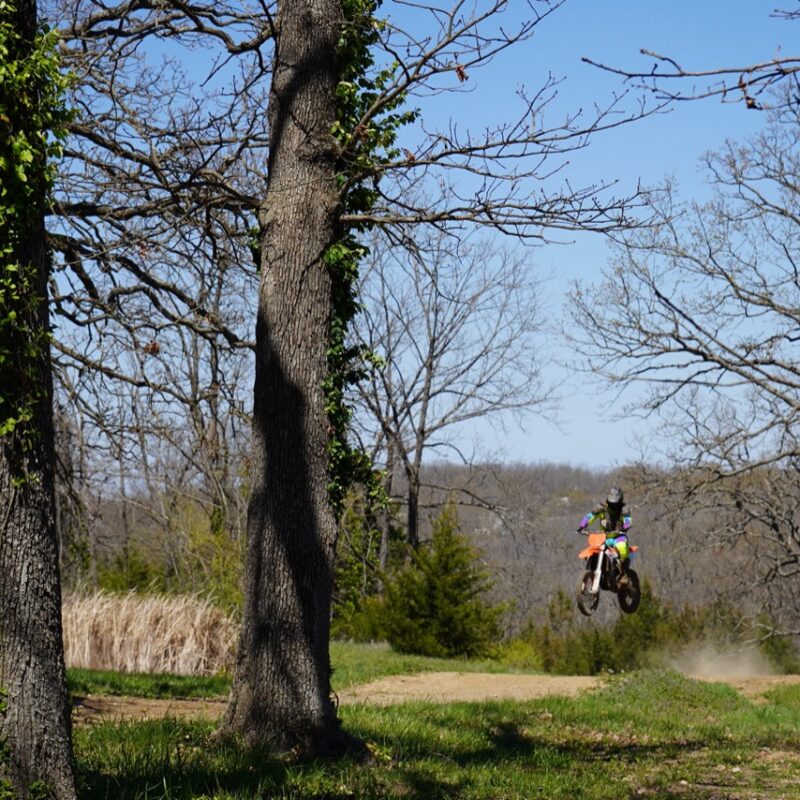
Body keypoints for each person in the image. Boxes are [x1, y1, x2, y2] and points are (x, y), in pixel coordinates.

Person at [576, 485, 633, 583]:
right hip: (604, 537)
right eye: (611, 503)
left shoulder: (624, 509)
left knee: (622, 548)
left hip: (618, 536)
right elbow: (590, 516)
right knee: (593, 549)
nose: (613, 505)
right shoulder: (601, 508)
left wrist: (625, 527)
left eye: (615, 503)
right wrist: (582, 526)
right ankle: (592, 571)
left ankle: (623, 574)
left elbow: (628, 520)